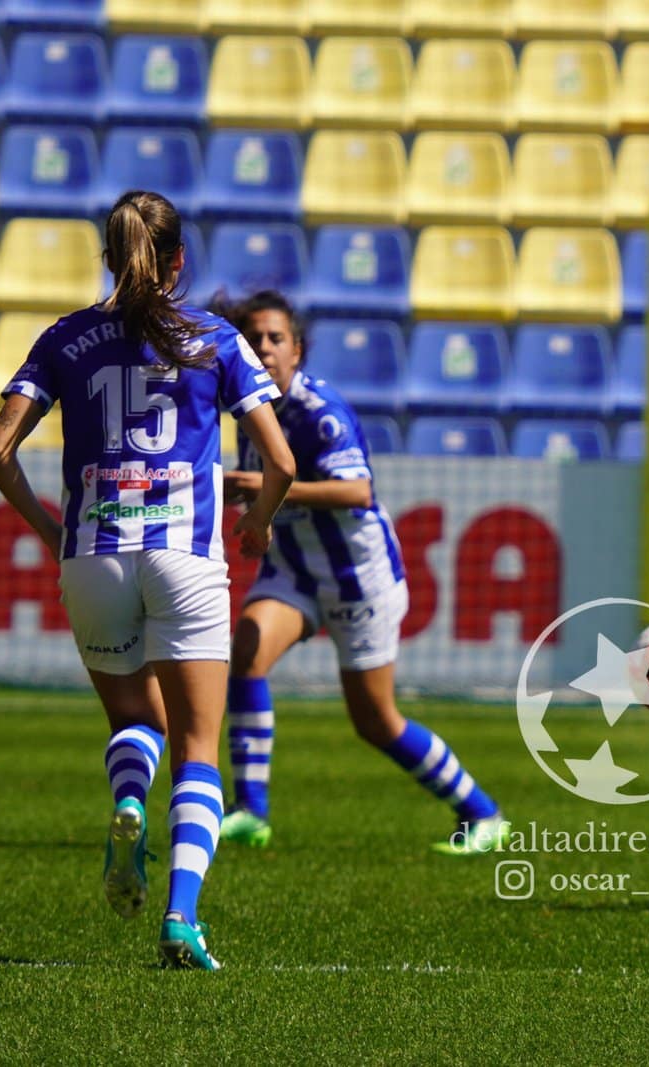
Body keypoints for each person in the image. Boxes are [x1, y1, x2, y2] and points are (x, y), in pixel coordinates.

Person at [0, 190, 296, 970]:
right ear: (178, 260)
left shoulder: (65, 337)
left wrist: (53, 530)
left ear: (110, 257)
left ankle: (128, 801)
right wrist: (256, 524)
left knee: (135, 718)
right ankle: (181, 918)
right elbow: (281, 462)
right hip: (186, 557)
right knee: (197, 745)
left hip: (93, 554)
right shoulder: (216, 339)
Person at [213, 291, 509, 856]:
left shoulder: (319, 412)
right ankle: (251, 810)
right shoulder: (247, 409)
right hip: (295, 570)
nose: (265, 348)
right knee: (246, 652)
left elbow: (358, 491)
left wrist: (261, 489)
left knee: (375, 722)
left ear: (297, 351)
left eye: (277, 338)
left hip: (358, 577)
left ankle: (482, 813)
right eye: (254, 340)